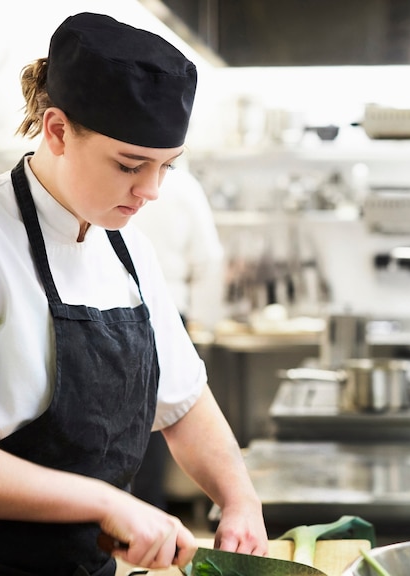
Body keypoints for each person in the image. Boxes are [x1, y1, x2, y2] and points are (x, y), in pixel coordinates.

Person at [0, 12, 267, 576]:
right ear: (57, 131)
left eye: (167, 167)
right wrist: (103, 502)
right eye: (130, 165)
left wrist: (239, 498)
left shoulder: (128, 249)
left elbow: (184, 401)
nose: (151, 190)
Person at [128, 163, 225, 511]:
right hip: (173, 309)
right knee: (152, 422)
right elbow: (209, 259)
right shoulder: (184, 187)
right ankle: (147, 509)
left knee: (141, 417)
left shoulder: (121, 185)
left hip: (140, 310)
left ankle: (138, 514)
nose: (148, 190)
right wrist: (203, 319)